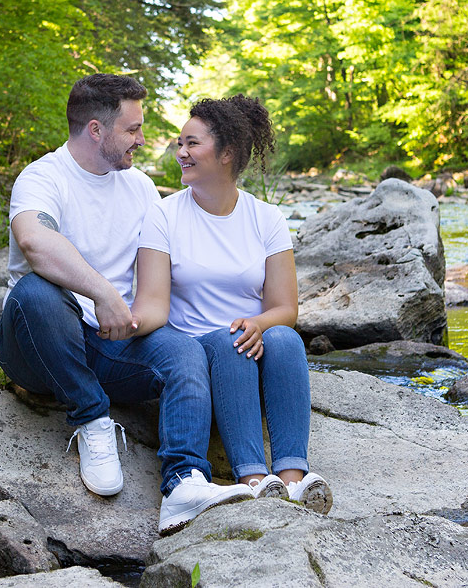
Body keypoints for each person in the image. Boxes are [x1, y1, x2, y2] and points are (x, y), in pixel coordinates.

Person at [0, 73, 252, 536]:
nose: (143, 139)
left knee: (184, 352)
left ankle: (183, 484)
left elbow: (167, 261)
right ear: (96, 130)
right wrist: (103, 292)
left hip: (113, 341)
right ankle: (91, 417)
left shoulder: (138, 187)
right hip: (39, 344)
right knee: (35, 292)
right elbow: (35, 241)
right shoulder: (42, 178)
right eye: (133, 129)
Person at [132, 94, 332, 513]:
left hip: (252, 340)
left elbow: (286, 309)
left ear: (227, 154)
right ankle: (253, 477)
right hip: (196, 346)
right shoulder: (163, 216)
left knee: (286, 340)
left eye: (192, 144)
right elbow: (154, 304)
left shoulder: (267, 219)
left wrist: (260, 323)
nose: (180, 153)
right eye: (179, 143)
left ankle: (294, 479)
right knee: (230, 341)